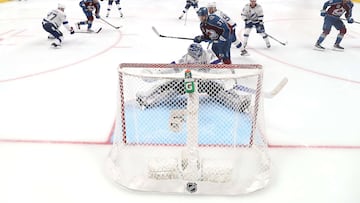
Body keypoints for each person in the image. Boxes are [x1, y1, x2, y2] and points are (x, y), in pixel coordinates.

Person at [136, 43, 250, 113]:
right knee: (167, 87)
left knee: (221, 91)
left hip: (205, 82)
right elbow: (172, 67)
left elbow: (219, 67)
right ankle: (147, 99)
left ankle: (238, 102)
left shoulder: (208, 54)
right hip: (188, 81)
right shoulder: (186, 58)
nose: (196, 57)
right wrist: (155, 74)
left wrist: (228, 77)